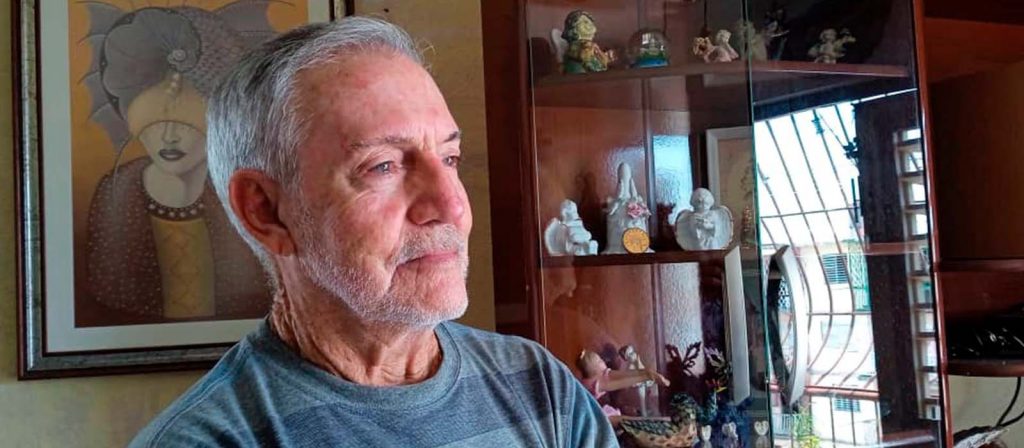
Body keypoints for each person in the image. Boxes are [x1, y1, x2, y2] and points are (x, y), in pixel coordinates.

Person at [129, 17, 617, 447]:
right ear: (266, 211)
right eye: (383, 166)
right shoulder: (208, 440)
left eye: (450, 158)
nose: (452, 206)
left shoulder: (539, 385)